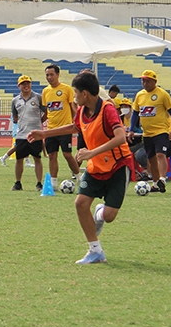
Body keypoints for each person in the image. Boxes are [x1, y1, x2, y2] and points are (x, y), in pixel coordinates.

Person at [28, 70, 133, 265]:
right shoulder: (83, 112)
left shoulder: (108, 109)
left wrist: (91, 153)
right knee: (80, 203)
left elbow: (120, 138)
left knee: (109, 216)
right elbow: (74, 127)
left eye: (76, 92)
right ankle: (96, 251)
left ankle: (100, 213)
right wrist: (45, 134)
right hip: (96, 167)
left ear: (85, 94)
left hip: (118, 165)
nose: (74, 96)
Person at [129, 70, 171, 193]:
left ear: (154, 81)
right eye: (143, 80)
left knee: (160, 154)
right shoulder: (139, 95)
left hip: (161, 131)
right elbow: (135, 114)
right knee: (151, 158)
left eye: (147, 81)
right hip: (147, 133)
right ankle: (156, 184)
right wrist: (131, 129)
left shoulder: (163, 94)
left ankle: (162, 179)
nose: (144, 83)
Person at [42, 64, 82, 190]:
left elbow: (73, 107)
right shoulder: (45, 91)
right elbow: (47, 111)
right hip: (51, 129)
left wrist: (79, 120)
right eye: (47, 75)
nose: (49, 77)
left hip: (65, 128)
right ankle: (53, 183)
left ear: (58, 75)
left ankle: (79, 177)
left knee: (67, 154)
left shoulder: (66, 89)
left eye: (51, 74)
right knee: (52, 156)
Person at [7, 75, 46, 191]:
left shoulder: (38, 97)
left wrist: (39, 123)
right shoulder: (15, 100)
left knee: (37, 158)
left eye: (28, 83)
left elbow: (46, 112)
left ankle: (39, 183)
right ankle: (18, 183)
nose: (26, 86)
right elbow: (15, 117)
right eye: (23, 84)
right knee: (19, 159)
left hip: (35, 134)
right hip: (22, 134)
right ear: (19, 86)